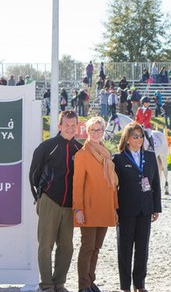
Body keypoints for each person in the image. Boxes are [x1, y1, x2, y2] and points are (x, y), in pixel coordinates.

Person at [29, 110, 82, 292]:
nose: (69, 128)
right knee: (45, 245)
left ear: (77, 126)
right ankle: (46, 285)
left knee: (66, 247)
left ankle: (59, 283)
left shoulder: (79, 149)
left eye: (73, 125)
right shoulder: (47, 146)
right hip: (49, 201)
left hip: (69, 204)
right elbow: (33, 174)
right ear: (59, 126)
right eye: (66, 125)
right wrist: (40, 196)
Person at [113, 122, 162, 292]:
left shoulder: (149, 156)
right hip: (125, 210)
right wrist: (113, 209)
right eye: (135, 136)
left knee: (142, 248)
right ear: (127, 139)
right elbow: (113, 187)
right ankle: (125, 286)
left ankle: (139, 284)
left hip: (145, 209)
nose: (139, 139)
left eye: (141, 136)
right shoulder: (117, 159)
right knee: (125, 249)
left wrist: (156, 208)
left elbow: (155, 183)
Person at [72, 117, 118, 292]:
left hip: (105, 206)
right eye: (93, 130)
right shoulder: (82, 155)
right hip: (89, 208)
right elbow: (77, 184)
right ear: (87, 132)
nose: (96, 133)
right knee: (87, 247)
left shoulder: (106, 153)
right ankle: (83, 285)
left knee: (96, 248)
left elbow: (112, 185)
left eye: (99, 130)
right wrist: (78, 209)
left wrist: (114, 207)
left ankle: (91, 281)